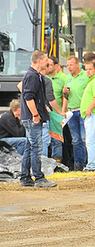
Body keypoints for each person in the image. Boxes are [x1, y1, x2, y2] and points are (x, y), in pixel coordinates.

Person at [19, 50, 56, 188]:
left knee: (30, 147)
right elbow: (28, 97)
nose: (47, 62)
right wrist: (35, 114)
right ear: (39, 60)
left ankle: (25, 178)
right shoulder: (32, 76)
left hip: (30, 117)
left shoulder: (33, 75)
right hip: (32, 118)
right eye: (46, 59)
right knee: (36, 147)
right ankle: (39, 178)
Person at [62, 55, 89, 171]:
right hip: (71, 112)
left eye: (71, 65)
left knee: (84, 138)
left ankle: (87, 162)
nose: (69, 67)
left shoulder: (85, 76)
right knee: (75, 140)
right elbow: (66, 97)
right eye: (68, 65)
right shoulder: (67, 78)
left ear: (77, 65)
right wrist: (64, 93)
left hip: (82, 111)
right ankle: (78, 163)